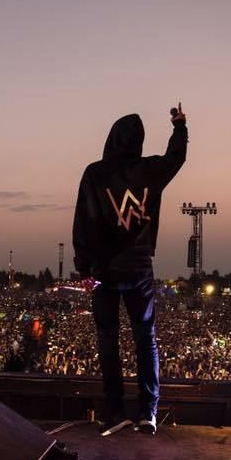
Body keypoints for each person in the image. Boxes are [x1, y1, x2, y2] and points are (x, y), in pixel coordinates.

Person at [72, 105, 188, 436]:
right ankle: (148, 412)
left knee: (108, 342)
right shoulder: (150, 170)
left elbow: (84, 220)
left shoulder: (95, 173)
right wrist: (179, 125)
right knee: (145, 341)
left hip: (103, 270)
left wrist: (84, 267)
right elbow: (176, 157)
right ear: (139, 141)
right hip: (139, 268)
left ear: (111, 138)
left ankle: (115, 413)